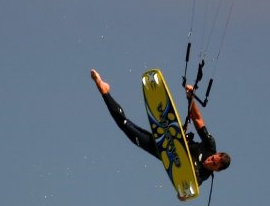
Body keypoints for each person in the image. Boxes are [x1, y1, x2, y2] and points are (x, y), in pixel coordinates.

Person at [90, 69, 231, 198]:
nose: (210, 160)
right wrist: (190, 98)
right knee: (126, 125)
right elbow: (198, 119)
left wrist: (183, 195)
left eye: (213, 164)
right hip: (171, 136)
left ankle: (104, 90)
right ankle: (107, 89)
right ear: (215, 154)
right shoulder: (210, 146)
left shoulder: (201, 177)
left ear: (216, 170)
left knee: (124, 125)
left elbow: (182, 193)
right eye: (213, 158)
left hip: (159, 149)